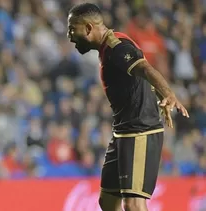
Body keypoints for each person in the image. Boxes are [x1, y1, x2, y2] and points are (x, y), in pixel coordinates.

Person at [67, 3, 189, 211]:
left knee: (133, 204)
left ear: (88, 28)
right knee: (107, 202)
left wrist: (168, 93)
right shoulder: (108, 48)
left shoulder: (117, 47)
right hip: (122, 132)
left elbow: (144, 67)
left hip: (140, 130)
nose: (69, 36)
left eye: (72, 28)